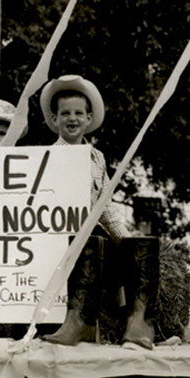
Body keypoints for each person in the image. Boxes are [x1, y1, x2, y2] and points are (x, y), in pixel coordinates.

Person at [39, 76, 156, 348]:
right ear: (54, 120)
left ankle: (140, 324)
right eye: (65, 113)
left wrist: (126, 242)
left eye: (79, 113)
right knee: (90, 240)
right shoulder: (47, 156)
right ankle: (80, 322)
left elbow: (105, 206)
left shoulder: (97, 158)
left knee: (138, 246)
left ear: (89, 118)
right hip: (62, 238)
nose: (72, 119)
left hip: (93, 236)